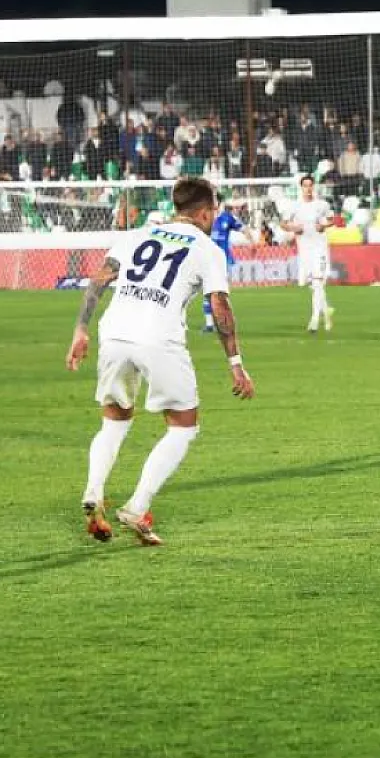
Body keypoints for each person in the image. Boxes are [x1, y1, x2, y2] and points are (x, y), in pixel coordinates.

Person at [66, 177, 255, 546]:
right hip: (158, 336)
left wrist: (81, 329)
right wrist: (235, 362)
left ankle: (93, 491)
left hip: (114, 332)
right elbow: (220, 307)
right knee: (184, 426)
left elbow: (99, 279)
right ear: (205, 213)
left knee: (114, 419)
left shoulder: (135, 235)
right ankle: (137, 507)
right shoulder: (207, 249)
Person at [283, 175, 336, 334]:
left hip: (320, 249)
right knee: (314, 286)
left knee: (318, 281)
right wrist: (294, 229)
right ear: (301, 188)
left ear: (314, 187)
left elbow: (332, 219)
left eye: (310, 185)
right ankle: (327, 312)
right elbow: (283, 224)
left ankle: (314, 320)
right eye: (305, 185)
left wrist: (324, 226)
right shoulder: (295, 206)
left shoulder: (322, 205)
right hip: (304, 250)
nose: (308, 188)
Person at [203, 195, 244, 333]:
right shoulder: (204, 217)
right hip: (207, 259)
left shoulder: (227, 217)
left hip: (223, 260)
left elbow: (242, 228)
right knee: (207, 291)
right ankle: (209, 324)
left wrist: (253, 242)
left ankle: (223, 322)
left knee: (220, 292)